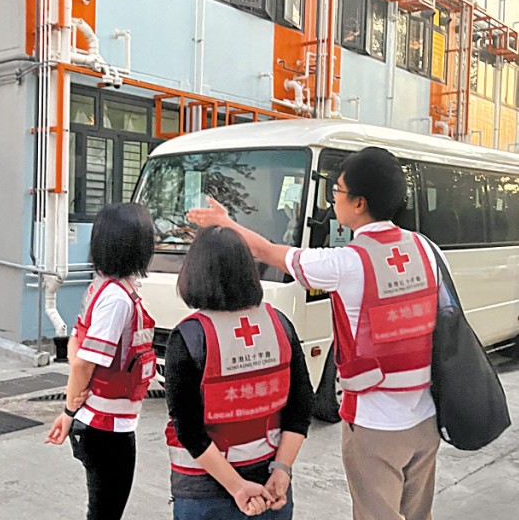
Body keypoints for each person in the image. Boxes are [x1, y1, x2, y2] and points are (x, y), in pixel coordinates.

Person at [188, 147, 449, 520]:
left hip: (376, 423)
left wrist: (226, 223)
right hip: (427, 416)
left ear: (359, 203)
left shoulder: (347, 262)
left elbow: (268, 252)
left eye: (337, 192)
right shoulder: (427, 249)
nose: (333, 200)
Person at [164, 225, 313, 519]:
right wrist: (282, 471)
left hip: (205, 493)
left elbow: (189, 430)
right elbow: (301, 405)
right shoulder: (279, 325)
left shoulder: (190, 337)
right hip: (271, 485)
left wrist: (237, 488)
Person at [45, 203, 157, 520]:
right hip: (104, 428)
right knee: (105, 513)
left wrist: (69, 414)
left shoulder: (110, 287)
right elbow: (81, 360)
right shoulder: (116, 298)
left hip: (104, 423)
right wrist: (68, 412)